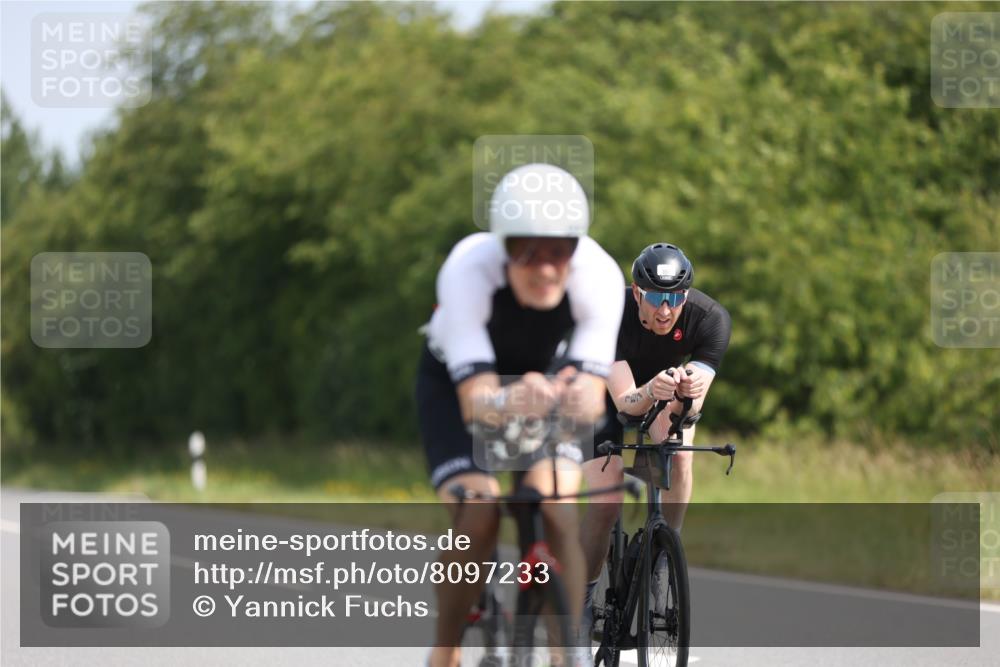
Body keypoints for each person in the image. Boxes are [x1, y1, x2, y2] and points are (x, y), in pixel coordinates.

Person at [416, 163, 625, 667]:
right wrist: (512, 400)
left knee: (556, 508)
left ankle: (567, 654)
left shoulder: (599, 276)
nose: (545, 268)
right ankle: (444, 651)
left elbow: (594, 398)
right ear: (502, 247)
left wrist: (572, 397)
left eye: (559, 250)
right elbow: (476, 403)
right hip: (460, 387)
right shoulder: (467, 271)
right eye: (526, 251)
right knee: (480, 513)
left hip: (546, 386)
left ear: (577, 247)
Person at [579, 242, 732, 620]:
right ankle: (581, 599)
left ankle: (665, 551)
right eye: (655, 298)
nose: (665, 310)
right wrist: (650, 391)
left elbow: (689, 412)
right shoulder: (608, 314)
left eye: (675, 298)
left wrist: (685, 394)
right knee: (606, 498)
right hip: (601, 394)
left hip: (662, 391)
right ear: (636, 293)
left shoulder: (709, 319)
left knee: (678, 455)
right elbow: (625, 403)